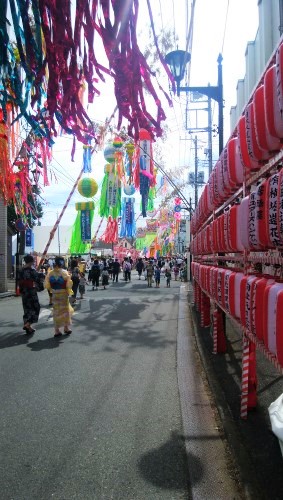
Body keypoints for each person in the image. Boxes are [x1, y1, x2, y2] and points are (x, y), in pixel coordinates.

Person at [45, 256, 74, 338]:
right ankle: (66, 328)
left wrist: (51, 290)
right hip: (63, 294)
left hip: (55, 293)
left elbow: (47, 284)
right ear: (62, 263)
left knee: (56, 311)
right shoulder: (64, 272)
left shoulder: (50, 273)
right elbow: (69, 284)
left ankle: (57, 330)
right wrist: (69, 291)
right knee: (65, 311)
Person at [19, 255, 44, 334]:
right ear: (31, 261)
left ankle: (28, 326)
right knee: (35, 307)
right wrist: (42, 274)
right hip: (31, 291)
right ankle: (28, 324)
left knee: (27, 308)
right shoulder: (31, 270)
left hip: (24, 291)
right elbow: (37, 277)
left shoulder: (21, 270)